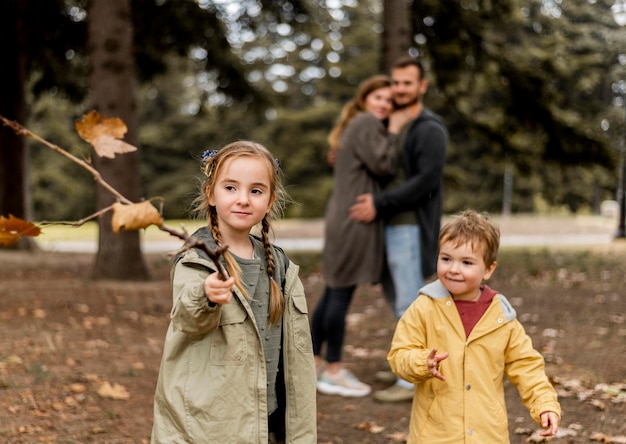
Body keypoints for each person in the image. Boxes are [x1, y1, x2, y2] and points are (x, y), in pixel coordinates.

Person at [151, 141, 317, 443]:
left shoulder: (280, 267)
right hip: (213, 425)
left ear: (269, 201)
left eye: (256, 190)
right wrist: (206, 296)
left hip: (267, 420)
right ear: (210, 194)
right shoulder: (199, 260)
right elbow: (188, 318)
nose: (243, 199)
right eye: (230, 188)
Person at [388, 210, 561, 443]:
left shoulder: (501, 316)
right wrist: (421, 362)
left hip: (486, 434)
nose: (454, 269)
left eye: (466, 262)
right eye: (446, 259)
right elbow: (399, 354)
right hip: (436, 434)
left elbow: (526, 364)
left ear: (488, 269)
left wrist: (544, 404)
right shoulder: (424, 307)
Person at [349, 56, 448, 402]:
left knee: (410, 304)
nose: (400, 89)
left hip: (408, 228)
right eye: (396, 82)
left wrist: (379, 203)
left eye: (407, 83)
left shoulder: (429, 128)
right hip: (387, 228)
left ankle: (412, 381)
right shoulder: (393, 122)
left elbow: (425, 183)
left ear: (422, 86)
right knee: (397, 302)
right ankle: (405, 365)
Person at [312, 75, 406, 397]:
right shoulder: (367, 123)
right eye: (379, 98)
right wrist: (393, 130)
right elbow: (384, 165)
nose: (385, 105)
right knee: (340, 294)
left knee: (332, 291)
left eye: (390, 101)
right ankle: (334, 370)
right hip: (353, 220)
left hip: (342, 217)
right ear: (365, 99)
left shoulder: (354, 125)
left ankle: (312, 366)